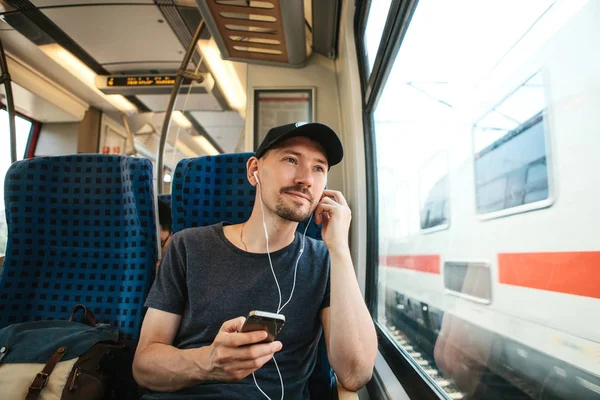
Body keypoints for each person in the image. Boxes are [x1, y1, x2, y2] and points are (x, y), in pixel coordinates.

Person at [133, 122, 378, 399]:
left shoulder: (323, 260)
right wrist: (208, 362)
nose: (305, 179)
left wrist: (340, 248)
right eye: (291, 159)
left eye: (318, 168)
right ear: (254, 171)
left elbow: (355, 374)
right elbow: (143, 366)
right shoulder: (188, 245)